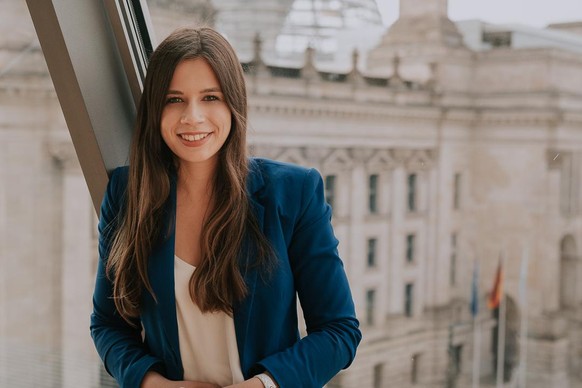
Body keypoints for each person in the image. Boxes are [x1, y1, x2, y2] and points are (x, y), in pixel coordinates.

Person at [90, 27, 361, 388]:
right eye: (174, 100)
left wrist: (264, 385)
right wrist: (155, 384)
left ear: (233, 103)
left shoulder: (293, 192)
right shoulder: (126, 194)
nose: (192, 117)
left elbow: (339, 331)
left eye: (210, 97)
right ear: (155, 110)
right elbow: (107, 325)